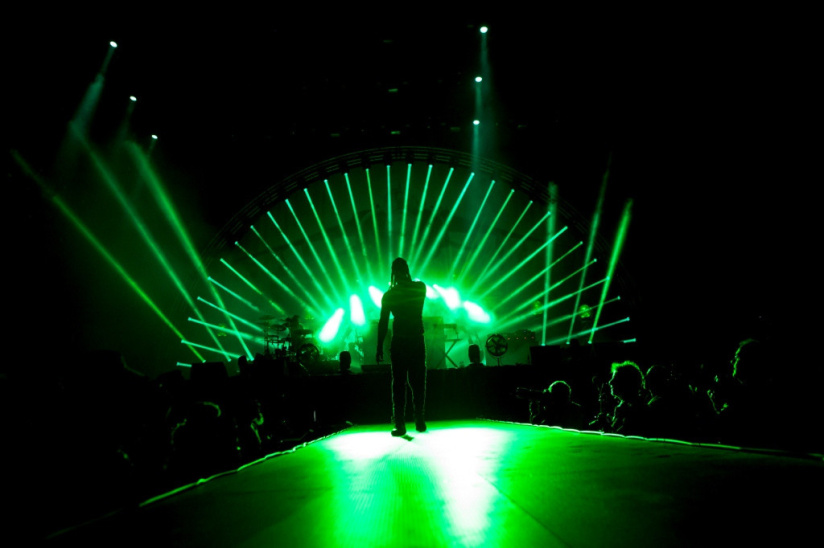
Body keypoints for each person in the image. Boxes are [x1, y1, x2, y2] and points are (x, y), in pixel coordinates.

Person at [377, 258, 427, 436]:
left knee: (398, 383)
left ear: (393, 273)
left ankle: (400, 424)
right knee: (418, 380)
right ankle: (419, 418)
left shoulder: (389, 295)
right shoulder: (420, 288)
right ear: (407, 270)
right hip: (416, 339)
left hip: (400, 341)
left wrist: (378, 347)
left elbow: (383, 323)